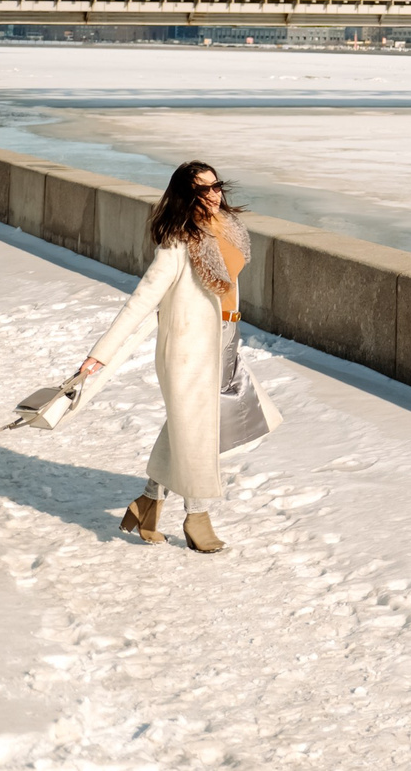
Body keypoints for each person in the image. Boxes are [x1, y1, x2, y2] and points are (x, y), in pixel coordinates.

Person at [76, 160, 280, 552]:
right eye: (203, 189)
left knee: (193, 428)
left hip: (224, 338)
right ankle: (197, 518)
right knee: (198, 432)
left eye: (216, 185)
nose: (214, 194)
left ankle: (149, 502)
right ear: (187, 196)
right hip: (187, 350)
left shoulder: (228, 231)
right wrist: (100, 353)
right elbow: (141, 302)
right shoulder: (177, 243)